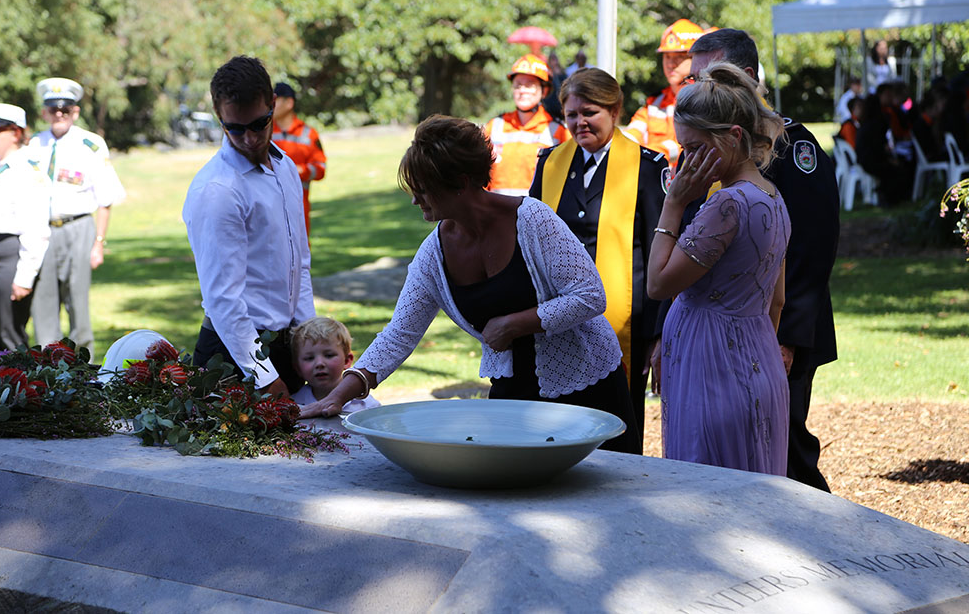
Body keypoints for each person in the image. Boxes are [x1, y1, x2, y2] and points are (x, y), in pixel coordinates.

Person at [297, 115, 640, 453]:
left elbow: (590, 295)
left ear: (460, 183)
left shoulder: (533, 220)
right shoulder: (435, 254)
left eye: (422, 189)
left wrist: (514, 324)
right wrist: (339, 395)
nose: (415, 200)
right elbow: (399, 334)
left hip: (589, 383)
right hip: (513, 390)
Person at [655, 28, 839, 490]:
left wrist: (788, 339)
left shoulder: (755, 179)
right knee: (759, 467)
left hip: (738, 346)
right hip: (748, 336)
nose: (699, 88)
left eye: (708, 79)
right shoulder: (762, 190)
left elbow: (810, 253)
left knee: (763, 466)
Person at [646, 61, 791, 475]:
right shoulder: (772, 196)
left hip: (710, 364)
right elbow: (776, 299)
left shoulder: (726, 204)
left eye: (693, 148)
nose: (684, 161)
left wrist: (673, 203)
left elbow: (658, 283)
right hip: (755, 352)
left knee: (705, 485)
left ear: (733, 137)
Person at [530, 67, 669, 454]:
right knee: (562, 417)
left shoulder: (648, 167)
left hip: (625, 320)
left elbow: (660, 252)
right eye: (571, 114)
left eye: (589, 112)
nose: (579, 122)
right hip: (559, 318)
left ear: (615, 110)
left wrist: (658, 333)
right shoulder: (551, 163)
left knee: (619, 424)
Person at [183, 56, 315, 399]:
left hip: (287, 347)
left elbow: (298, 261)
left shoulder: (285, 167)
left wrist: (309, 339)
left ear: (273, 105)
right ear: (219, 116)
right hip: (233, 357)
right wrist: (265, 377)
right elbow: (223, 299)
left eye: (260, 123)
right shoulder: (218, 190)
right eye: (235, 128)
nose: (250, 138)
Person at [27, 78, 125, 357]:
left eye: (66, 110)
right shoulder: (33, 145)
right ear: (44, 113)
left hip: (79, 227)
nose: (59, 115)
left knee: (78, 304)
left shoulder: (91, 144)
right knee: (43, 304)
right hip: (42, 230)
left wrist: (98, 243)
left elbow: (105, 199)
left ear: (76, 112)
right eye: (53, 110)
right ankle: (47, 371)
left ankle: (84, 370)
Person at [0, 104, 50, 358]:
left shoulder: (28, 169)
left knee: (10, 335)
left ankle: (20, 394)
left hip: (7, 254)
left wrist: (25, 276)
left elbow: (36, 227)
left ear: (15, 132)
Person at [484, 54, 569, 196]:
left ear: (544, 90)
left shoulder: (558, 131)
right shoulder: (494, 127)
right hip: (495, 214)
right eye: (518, 85)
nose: (522, 91)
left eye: (529, 85)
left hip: (538, 215)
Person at [626, 19, 706, 168]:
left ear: (697, 59)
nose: (670, 63)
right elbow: (632, 133)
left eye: (679, 56)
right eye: (667, 56)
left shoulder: (707, 100)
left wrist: (645, 156)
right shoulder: (655, 102)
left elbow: (686, 145)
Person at [290, 316, 380, 413]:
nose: (319, 364)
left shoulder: (367, 407)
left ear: (347, 361)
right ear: (297, 368)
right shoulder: (294, 406)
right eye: (309, 358)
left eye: (329, 355)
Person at [271, 82, 327, 237]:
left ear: (289, 103)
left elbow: (321, 169)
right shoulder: (263, 133)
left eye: (275, 101)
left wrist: (300, 170)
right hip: (269, 210)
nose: (270, 105)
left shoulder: (309, 134)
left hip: (299, 211)